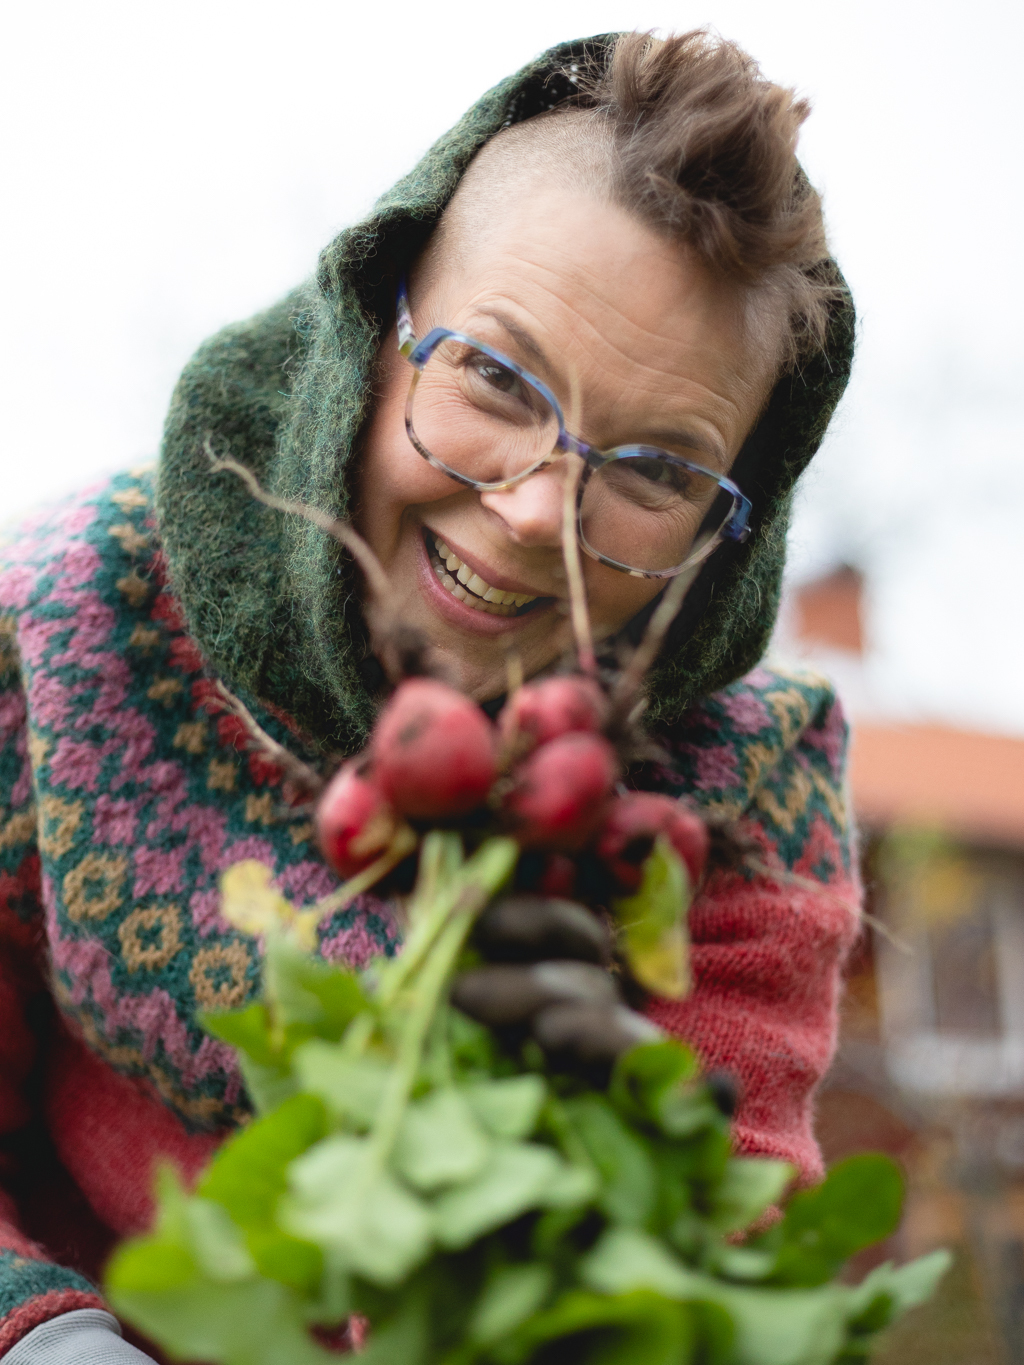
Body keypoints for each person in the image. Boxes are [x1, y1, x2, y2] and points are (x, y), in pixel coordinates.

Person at [0, 29, 861, 1363]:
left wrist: (573, 1153)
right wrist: (43, 1338)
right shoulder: (74, 608)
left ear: (725, 529)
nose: (532, 511)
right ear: (378, 322)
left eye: (653, 469)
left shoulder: (737, 799)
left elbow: (706, 1296)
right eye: (495, 376)